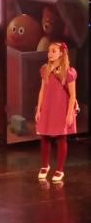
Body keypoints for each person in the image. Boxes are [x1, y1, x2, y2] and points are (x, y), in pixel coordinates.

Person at [35, 41, 78, 183]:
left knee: (61, 138)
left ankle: (60, 169)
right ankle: (44, 165)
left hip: (61, 108)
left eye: (53, 51)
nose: (50, 54)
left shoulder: (68, 72)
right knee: (45, 136)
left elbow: (73, 95)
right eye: (49, 51)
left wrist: (69, 113)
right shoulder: (45, 69)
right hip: (48, 107)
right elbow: (42, 90)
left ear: (61, 53)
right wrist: (39, 109)